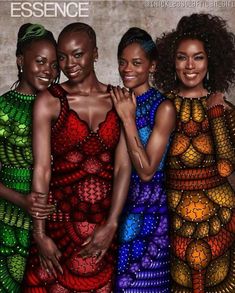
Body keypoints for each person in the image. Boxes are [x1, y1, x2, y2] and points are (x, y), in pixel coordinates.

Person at [22, 22, 131, 292]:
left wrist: (112, 224)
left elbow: (122, 168)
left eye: (78, 54)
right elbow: (42, 169)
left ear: (95, 53)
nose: (69, 63)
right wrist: (40, 234)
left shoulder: (119, 99)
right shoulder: (49, 100)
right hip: (58, 227)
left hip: (102, 229)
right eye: (62, 56)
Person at [155, 13, 235, 293]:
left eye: (198, 57)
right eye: (182, 57)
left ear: (211, 61)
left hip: (219, 217)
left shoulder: (224, 110)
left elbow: (226, 168)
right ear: (171, 62)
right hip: (172, 217)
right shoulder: (161, 108)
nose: (190, 66)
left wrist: (215, 116)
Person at [110, 27, 176, 293]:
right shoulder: (119, 101)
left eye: (137, 63)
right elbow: (117, 167)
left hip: (152, 218)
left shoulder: (164, 107)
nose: (127, 69)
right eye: (123, 62)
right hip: (121, 211)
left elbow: (147, 170)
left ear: (152, 66)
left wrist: (128, 118)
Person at [0, 23, 58, 292]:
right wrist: (21, 199)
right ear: (20, 61)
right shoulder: (2, 108)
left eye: (54, 64)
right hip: (9, 218)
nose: (49, 70)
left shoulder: (60, 106)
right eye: (41, 61)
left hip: (54, 219)